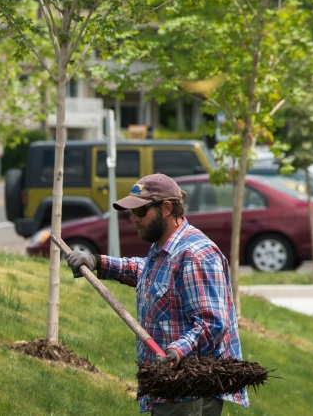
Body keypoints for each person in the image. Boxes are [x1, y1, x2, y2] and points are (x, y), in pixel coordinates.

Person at [66, 173, 248, 415]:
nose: (134, 219)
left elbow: (212, 323)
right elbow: (147, 272)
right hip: (168, 391)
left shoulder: (195, 255)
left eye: (140, 212)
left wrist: (177, 350)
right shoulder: (165, 247)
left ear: (167, 208)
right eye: (131, 213)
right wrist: (97, 261)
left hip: (190, 395)